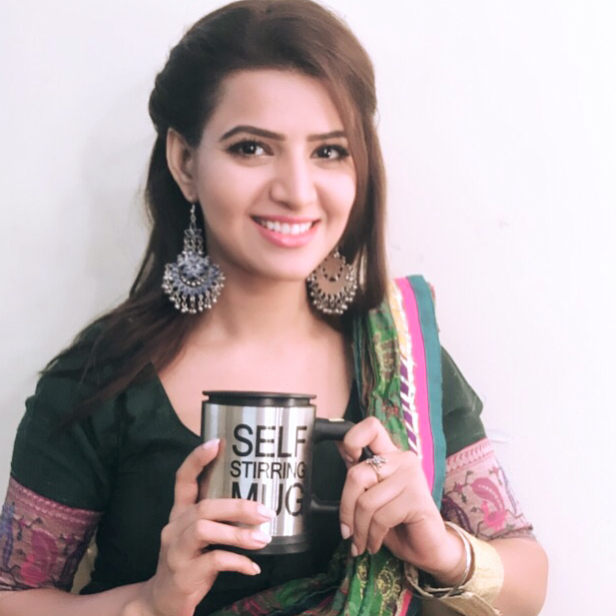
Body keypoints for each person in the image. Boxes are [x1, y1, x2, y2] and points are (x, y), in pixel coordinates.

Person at [0, 1, 548, 615]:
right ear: (185, 161)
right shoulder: (104, 376)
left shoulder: (404, 362)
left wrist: (444, 551)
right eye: (252, 147)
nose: (296, 190)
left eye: (329, 152)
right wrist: (151, 604)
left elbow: (528, 585)